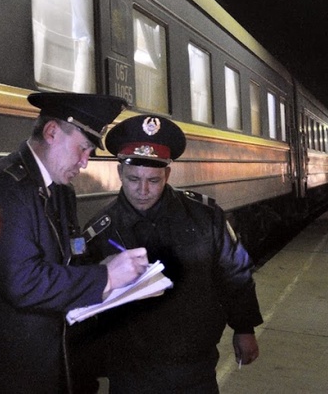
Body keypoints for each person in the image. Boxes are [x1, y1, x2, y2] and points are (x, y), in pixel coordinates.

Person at [0, 92, 150, 394]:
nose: (84, 163)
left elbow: (71, 256)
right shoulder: (4, 187)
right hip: (8, 369)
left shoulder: (60, 191)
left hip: (48, 359)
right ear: (52, 132)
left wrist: (109, 270)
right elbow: (23, 281)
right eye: (82, 149)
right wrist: (105, 276)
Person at [79, 114, 263, 393]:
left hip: (194, 366)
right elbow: (84, 304)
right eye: (133, 179)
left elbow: (234, 274)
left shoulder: (205, 217)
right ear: (119, 174)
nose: (142, 191)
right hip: (131, 370)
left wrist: (245, 327)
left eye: (153, 180)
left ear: (167, 174)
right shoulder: (100, 232)